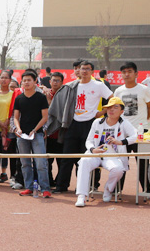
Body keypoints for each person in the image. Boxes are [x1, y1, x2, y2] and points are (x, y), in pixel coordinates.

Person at [46, 60, 113, 194]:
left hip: (90, 124)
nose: (84, 71)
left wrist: (101, 113)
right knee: (67, 157)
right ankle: (61, 186)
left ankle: (83, 187)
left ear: (92, 71)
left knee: (86, 158)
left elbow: (113, 98)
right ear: (78, 70)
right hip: (72, 123)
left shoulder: (99, 85)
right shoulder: (71, 86)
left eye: (87, 69)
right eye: (82, 69)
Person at [74, 97, 137, 207]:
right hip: (96, 154)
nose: (111, 110)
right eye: (109, 107)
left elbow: (135, 136)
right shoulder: (97, 122)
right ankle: (81, 196)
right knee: (84, 162)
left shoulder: (124, 123)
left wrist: (120, 142)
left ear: (122, 111)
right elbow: (88, 141)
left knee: (118, 169)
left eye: (115, 107)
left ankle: (108, 189)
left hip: (112, 157)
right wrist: (93, 149)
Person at [113, 61, 150, 192]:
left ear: (136, 73)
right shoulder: (118, 91)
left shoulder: (144, 89)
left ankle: (148, 191)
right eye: (124, 72)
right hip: (122, 132)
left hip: (140, 132)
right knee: (120, 162)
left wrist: (143, 121)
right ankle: (117, 190)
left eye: (130, 71)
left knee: (143, 163)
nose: (127, 74)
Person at [13, 70, 51, 198]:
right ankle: (28, 187)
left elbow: (45, 117)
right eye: (24, 80)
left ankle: (45, 188)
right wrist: (18, 129)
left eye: (29, 80)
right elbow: (16, 117)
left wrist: (35, 130)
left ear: (35, 81)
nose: (27, 82)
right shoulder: (19, 98)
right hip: (22, 136)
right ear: (21, 83)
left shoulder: (40, 98)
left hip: (37, 134)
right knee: (25, 163)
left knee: (41, 163)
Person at [0, 70, 18, 186]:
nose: (4, 80)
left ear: (10, 80)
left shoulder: (14, 94)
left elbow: (14, 109)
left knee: (11, 154)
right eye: (2, 77)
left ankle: (12, 177)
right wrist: (0, 124)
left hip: (10, 127)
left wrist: (6, 123)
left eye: (6, 78)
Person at [45, 72, 65, 187]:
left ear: (62, 82)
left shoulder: (65, 95)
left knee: (62, 161)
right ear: (50, 81)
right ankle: (49, 181)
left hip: (61, 133)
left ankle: (60, 183)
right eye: (53, 80)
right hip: (48, 134)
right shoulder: (45, 94)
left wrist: (50, 102)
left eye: (58, 80)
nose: (55, 82)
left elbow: (60, 113)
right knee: (47, 161)